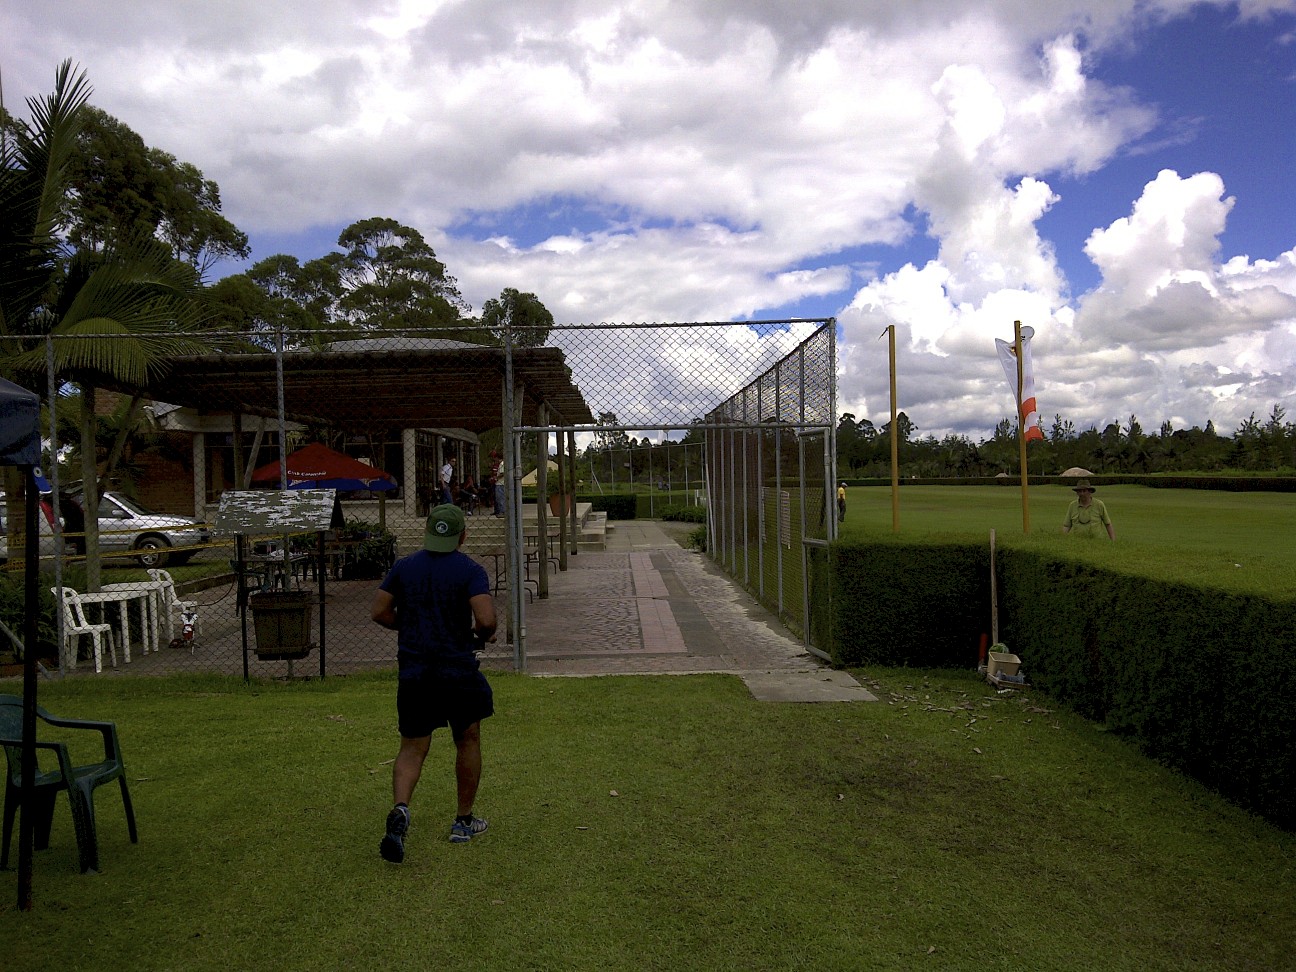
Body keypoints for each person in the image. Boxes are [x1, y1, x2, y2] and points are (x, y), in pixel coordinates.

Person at [372, 504, 497, 862]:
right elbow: (486, 619)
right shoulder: (470, 570)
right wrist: (479, 634)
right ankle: (463, 822)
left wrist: (409, 625)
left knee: (412, 747)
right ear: (462, 536)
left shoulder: (404, 567)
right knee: (467, 738)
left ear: (427, 531)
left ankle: (401, 808)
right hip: (457, 670)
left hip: (415, 672)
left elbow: (379, 611)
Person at [490, 450, 505, 517]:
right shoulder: (500, 464)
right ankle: (500, 511)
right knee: (498, 498)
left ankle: (502, 512)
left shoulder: (502, 464)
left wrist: (496, 478)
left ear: (497, 457)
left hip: (500, 483)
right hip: (499, 483)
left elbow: (502, 473)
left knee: (500, 498)